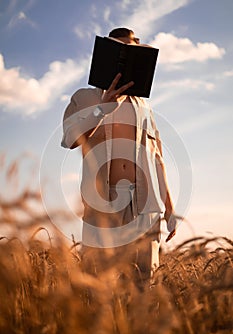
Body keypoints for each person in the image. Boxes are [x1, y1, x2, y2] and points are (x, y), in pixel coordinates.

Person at [61, 28, 176, 286]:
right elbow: (69, 138)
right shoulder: (85, 97)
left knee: (145, 286)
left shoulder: (145, 107)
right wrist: (103, 107)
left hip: (146, 205)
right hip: (102, 204)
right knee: (98, 285)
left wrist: (169, 207)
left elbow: (158, 157)